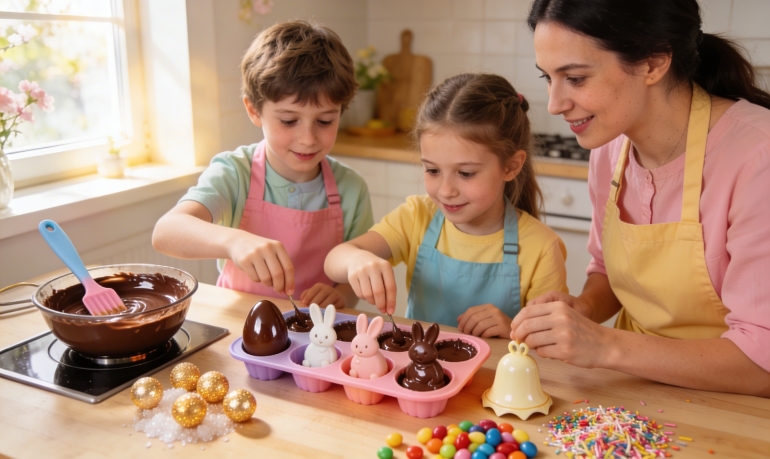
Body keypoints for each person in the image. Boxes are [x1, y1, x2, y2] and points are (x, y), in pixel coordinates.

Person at [511, 0, 770, 396]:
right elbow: (607, 271)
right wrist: (584, 309)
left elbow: (762, 362)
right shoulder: (609, 149)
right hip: (637, 390)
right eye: (548, 78)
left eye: (575, 78)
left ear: (653, 63)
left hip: (735, 405)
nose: (554, 103)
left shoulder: (757, 157)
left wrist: (603, 344)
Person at [325, 73, 568, 338]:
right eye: (432, 170)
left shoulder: (541, 248)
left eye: (465, 173)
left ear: (510, 166)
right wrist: (355, 259)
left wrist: (513, 330)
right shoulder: (416, 216)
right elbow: (334, 259)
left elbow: (553, 342)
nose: (446, 191)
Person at [152, 21, 373, 309]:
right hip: (240, 328)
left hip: (316, 336)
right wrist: (234, 242)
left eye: (325, 121)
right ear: (254, 110)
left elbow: (355, 272)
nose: (308, 139)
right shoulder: (234, 173)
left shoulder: (351, 188)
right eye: (289, 120)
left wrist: (342, 294)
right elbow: (166, 231)